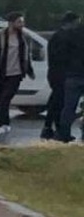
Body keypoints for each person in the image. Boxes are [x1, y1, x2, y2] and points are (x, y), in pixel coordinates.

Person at [0, 12, 35, 136]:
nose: (22, 24)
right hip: (0, 72)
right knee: (3, 100)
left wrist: (29, 70)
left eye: (22, 22)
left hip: (16, 73)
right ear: (11, 23)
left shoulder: (25, 37)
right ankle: (6, 123)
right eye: (19, 22)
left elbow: (27, 55)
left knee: (6, 98)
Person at [44, 12, 79, 140]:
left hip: (56, 72)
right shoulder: (63, 37)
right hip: (60, 73)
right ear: (72, 22)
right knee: (59, 102)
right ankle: (55, 129)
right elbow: (62, 56)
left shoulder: (58, 36)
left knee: (56, 101)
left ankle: (50, 127)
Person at [57, 12, 84, 143]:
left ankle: (64, 134)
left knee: (68, 107)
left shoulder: (69, 35)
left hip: (72, 75)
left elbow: (62, 56)